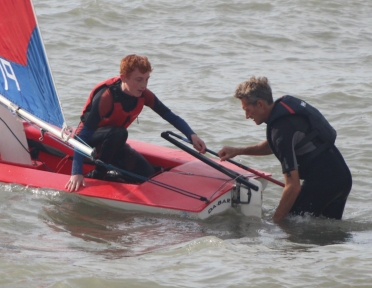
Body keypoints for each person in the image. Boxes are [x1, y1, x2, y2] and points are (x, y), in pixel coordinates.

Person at [218, 76, 352, 222]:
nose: (247, 116)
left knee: (290, 224)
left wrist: (274, 223)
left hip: (323, 182)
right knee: (328, 234)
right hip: (342, 177)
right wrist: (239, 150)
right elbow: (273, 145)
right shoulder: (283, 111)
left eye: (248, 110)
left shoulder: (280, 130)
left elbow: (293, 186)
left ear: (261, 104)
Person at [66, 54, 206, 192]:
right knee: (119, 133)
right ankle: (98, 175)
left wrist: (191, 135)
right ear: (123, 77)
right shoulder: (106, 97)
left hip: (113, 144)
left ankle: (114, 176)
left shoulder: (144, 94)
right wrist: (76, 172)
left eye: (146, 79)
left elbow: (169, 115)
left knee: (147, 175)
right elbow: (81, 137)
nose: (143, 85)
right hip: (88, 144)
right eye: (139, 80)